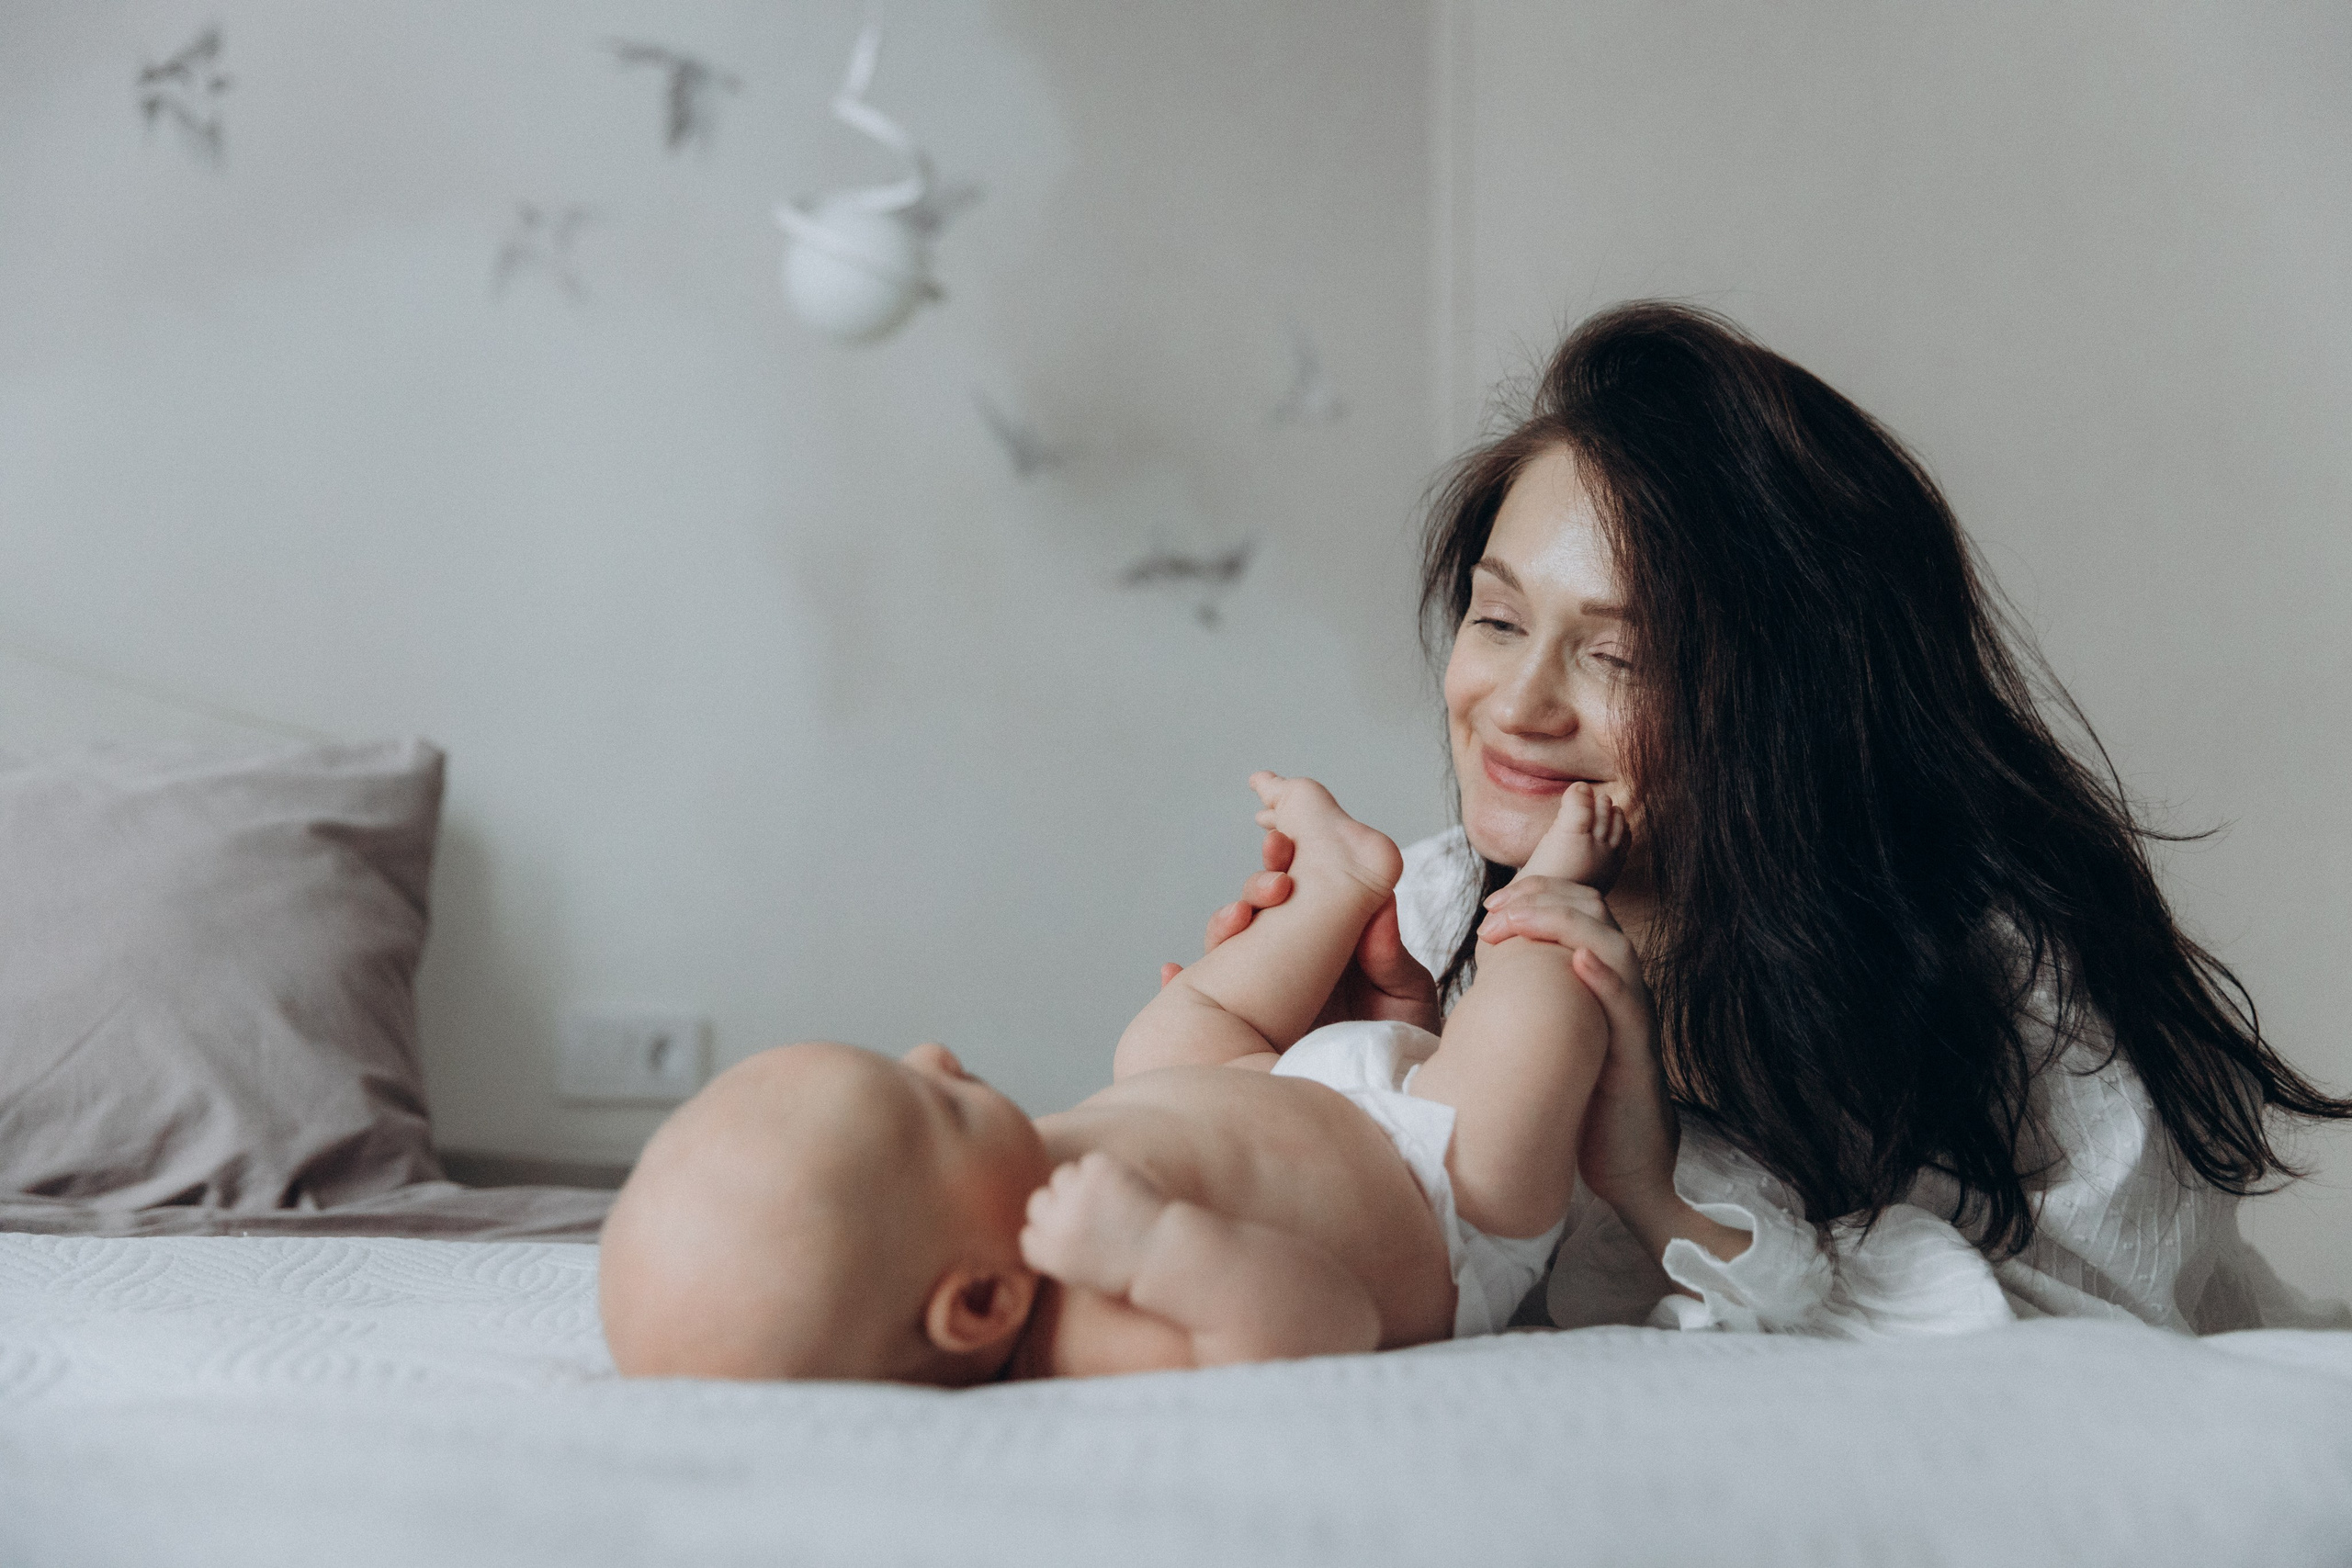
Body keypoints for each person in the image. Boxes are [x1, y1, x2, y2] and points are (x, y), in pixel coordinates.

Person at [1185, 301, 2352, 1337]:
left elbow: (2110, 1354)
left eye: (1615, 655)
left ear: (1796, 706)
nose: (1517, 707)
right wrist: (1342, 1081)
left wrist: (1661, 1192)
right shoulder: (1435, 910)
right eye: (1496, 623)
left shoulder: (2000, 984)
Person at [600, 772, 1629, 1382]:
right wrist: (1160, 1249)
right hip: (1446, 1194)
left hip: (1305, 1087)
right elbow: (1326, 1328)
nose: (938, 1057)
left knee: (1158, 1045)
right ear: (981, 1303)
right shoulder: (1086, 1324)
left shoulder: (991, 1199)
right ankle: (1544, 900)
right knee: (1536, 1016)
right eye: (938, 1107)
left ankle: (1343, 885)